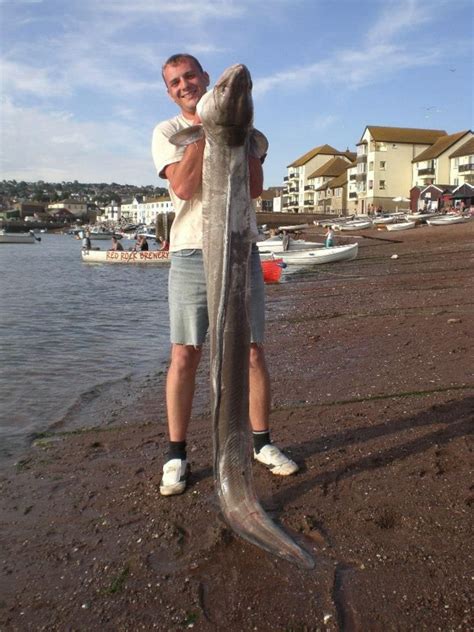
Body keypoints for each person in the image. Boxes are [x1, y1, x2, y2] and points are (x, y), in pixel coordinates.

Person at [152, 53, 298, 496]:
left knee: (252, 350)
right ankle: (176, 454)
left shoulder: (253, 134)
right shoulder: (168, 133)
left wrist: (241, 135)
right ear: (169, 90)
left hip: (239, 247)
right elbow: (181, 186)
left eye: (190, 76)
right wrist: (207, 131)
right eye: (175, 82)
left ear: (206, 79)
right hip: (192, 251)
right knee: (185, 354)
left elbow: (254, 188)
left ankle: (261, 443)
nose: (183, 85)